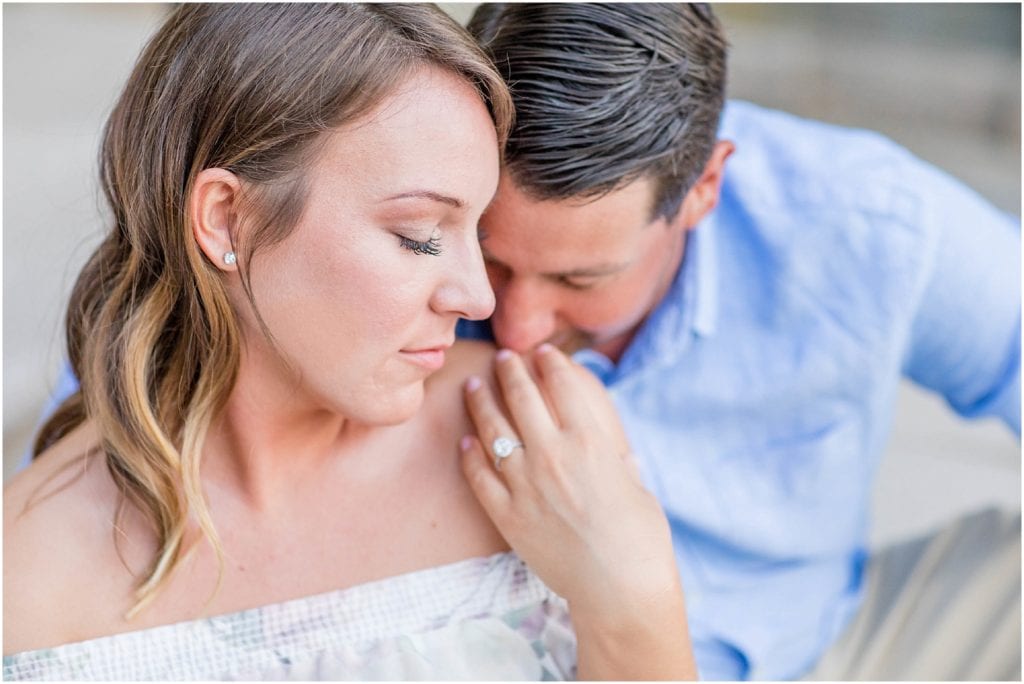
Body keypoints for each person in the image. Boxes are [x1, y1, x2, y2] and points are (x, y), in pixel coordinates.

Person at [3, 4, 695, 680]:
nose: (480, 298)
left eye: (475, 235)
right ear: (226, 220)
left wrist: (636, 598)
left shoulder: (536, 433)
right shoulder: (31, 584)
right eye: (420, 235)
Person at [458, 3, 1021, 681]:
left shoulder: (865, 222)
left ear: (706, 188)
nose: (516, 326)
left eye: (582, 278)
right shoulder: (404, 214)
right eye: (489, 259)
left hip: (835, 653)